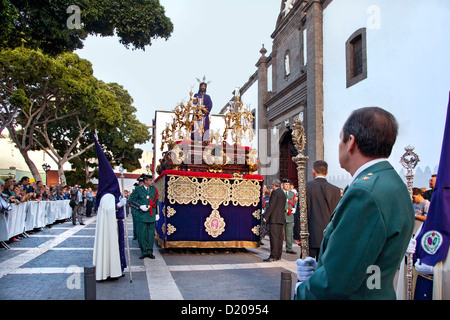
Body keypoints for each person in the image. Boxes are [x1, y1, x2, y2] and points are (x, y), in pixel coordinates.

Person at [295, 107, 414, 299]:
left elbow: (334, 285)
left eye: (340, 139)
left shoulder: (365, 193)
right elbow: (364, 261)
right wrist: (322, 269)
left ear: (350, 142)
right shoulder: (390, 181)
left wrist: (302, 289)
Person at [92, 134, 127, 281]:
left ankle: (116, 268)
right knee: (112, 247)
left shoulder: (108, 195)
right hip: (111, 228)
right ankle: (110, 271)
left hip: (115, 224)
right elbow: (108, 210)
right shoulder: (107, 196)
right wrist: (118, 204)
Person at [301, 160, 341, 260]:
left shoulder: (306, 186)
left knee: (306, 267)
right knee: (323, 267)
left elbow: (301, 211)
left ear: (313, 171)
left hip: (310, 234)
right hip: (328, 235)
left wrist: (298, 233)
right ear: (327, 173)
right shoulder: (336, 190)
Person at [129, 174, 159, 259]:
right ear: (145, 181)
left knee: (150, 234)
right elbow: (131, 200)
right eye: (150, 180)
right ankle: (143, 251)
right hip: (142, 215)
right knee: (142, 234)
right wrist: (140, 206)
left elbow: (156, 202)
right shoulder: (138, 189)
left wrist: (157, 213)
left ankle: (150, 251)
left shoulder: (154, 190)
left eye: (151, 180)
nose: (151, 182)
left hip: (151, 214)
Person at [262, 179, 286, 262]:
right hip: (281, 218)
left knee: (274, 238)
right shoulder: (282, 193)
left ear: (274, 185)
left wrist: (266, 216)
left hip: (275, 219)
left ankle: (273, 255)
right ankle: (278, 255)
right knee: (279, 238)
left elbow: (271, 206)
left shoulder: (275, 193)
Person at [282, 179, 296, 254]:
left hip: (290, 215)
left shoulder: (291, 194)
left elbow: (293, 203)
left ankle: (289, 248)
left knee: (289, 233)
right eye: (285, 184)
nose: (287, 186)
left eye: (288, 185)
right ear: (282, 185)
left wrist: (293, 209)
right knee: (280, 233)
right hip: (281, 214)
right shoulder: (280, 193)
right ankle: (278, 247)